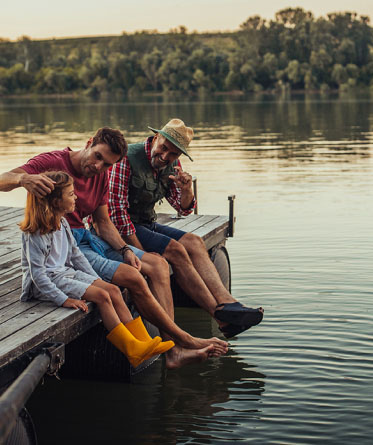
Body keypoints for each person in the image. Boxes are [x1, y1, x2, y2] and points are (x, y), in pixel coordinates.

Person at [0, 127, 228, 369]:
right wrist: (23, 179)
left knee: (158, 264)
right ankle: (182, 341)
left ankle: (172, 351)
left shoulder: (102, 175)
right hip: (66, 243)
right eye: (97, 157)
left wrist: (125, 249)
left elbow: (103, 222)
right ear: (89, 143)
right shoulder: (53, 163)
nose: (99, 167)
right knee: (133, 278)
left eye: (107, 164)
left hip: (88, 238)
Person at [109, 119, 264, 338]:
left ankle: (227, 303)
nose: (165, 156)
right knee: (175, 250)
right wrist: (139, 253)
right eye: (163, 148)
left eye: (172, 154)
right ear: (156, 138)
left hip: (146, 223)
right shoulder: (127, 158)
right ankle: (220, 316)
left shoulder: (172, 164)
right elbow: (116, 215)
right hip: (122, 229)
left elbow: (183, 209)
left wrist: (186, 189)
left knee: (194, 241)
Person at [19, 170, 174, 368]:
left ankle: (143, 342)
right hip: (44, 284)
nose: (75, 197)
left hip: (64, 273)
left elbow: (76, 256)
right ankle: (131, 350)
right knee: (102, 296)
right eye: (70, 194)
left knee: (113, 290)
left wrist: (96, 279)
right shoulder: (36, 233)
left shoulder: (63, 224)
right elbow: (38, 275)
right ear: (56, 201)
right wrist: (64, 300)